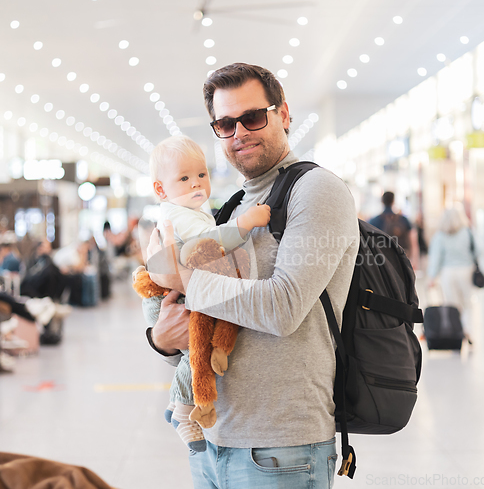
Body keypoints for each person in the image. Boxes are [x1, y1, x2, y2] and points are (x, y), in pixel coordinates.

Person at [142, 63, 359, 488]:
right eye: (226, 123)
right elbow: (192, 318)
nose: (240, 131)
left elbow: (283, 308)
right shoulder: (233, 206)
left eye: (253, 117)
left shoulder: (316, 191)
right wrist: (160, 338)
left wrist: (182, 279)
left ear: (283, 115)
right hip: (214, 439)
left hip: (281, 449)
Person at [142, 134, 271, 452]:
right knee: (196, 348)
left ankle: (178, 407)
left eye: (202, 175)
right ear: (161, 189)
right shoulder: (178, 215)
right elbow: (208, 244)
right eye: (184, 178)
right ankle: (183, 410)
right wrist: (244, 224)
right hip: (171, 297)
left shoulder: (188, 211)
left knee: (196, 348)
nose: (196, 183)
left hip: (174, 291)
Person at [427, 204, 476, 344]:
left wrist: (432, 277)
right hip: (466, 270)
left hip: (447, 273)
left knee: (452, 305)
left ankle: (457, 332)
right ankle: (468, 330)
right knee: (467, 303)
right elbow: (478, 250)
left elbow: (436, 258)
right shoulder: (467, 232)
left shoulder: (440, 235)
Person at [369, 191, 419, 267]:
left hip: (381, 262)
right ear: (393, 201)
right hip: (401, 260)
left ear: (382, 201)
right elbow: (413, 242)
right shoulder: (403, 220)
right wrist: (414, 260)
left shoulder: (374, 221)